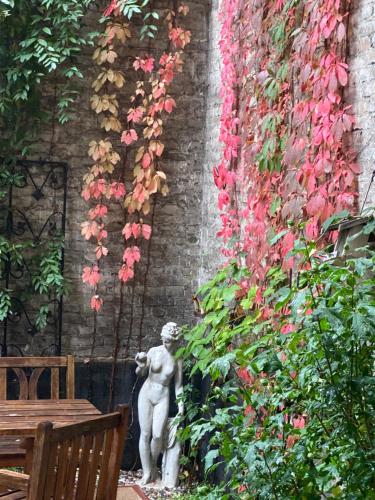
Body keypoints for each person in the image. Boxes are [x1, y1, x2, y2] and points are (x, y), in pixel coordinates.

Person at [135, 322, 183, 485]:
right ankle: (147, 473)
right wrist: (141, 366)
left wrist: (181, 406)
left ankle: (153, 466)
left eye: (168, 340)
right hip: (147, 393)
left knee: (157, 435)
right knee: (145, 434)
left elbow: (178, 385)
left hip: (163, 395)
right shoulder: (154, 352)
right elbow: (141, 373)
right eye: (163, 339)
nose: (165, 343)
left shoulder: (178, 358)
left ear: (176, 341)